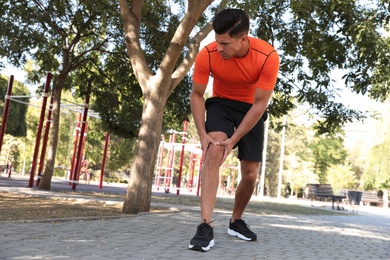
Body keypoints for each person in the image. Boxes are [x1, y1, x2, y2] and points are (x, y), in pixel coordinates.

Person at [188, 9, 280, 252]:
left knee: (250, 174)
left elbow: (260, 104)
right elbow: (197, 95)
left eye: (225, 43)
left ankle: (236, 221)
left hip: (251, 108)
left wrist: (235, 139)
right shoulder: (208, 53)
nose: (219, 48)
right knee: (214, 151)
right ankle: (205, 226)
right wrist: (202, 135)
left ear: (243, 38)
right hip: (221, 103)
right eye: (217, 42)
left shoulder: (267, 56)